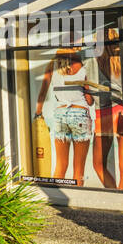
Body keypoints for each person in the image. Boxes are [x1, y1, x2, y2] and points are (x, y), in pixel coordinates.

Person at [36, 49, 94, 186]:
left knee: (61, 165)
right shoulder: (82, 66)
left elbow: (43, 92)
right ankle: (77, 199)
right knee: (79, 169)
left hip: (60, 115)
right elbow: (90, 100)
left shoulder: (52, 65)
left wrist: (38, 113)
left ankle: (56, 196)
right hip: (79, 114)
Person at [91, 27, 123, 189]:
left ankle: (114, 194)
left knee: (98, 164)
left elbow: (90, 97)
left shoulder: (92, 62)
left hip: (104, 115)